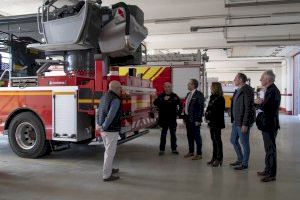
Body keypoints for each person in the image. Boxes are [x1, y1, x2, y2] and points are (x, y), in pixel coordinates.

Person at [255, 70, 281, 182]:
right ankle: (267, 170)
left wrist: (258, 103)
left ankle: (271, 174)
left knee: (270, 150)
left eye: (262, 78)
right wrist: (260, 102)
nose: (260, 80)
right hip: (267, 124)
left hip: (270, 124)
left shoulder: (273, 91)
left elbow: (267, 108)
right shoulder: (269, 90)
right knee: (268, 149)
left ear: (267, 79)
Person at [97, 80, 122, 182]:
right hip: (110, 130)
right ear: (116, 88)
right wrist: (104, 126)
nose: (121, 90)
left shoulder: (104, 97)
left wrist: (99, 125)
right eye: (120, 88)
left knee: (108, 151)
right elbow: (111, 115)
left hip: (103, 129)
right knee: (110, 152)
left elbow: (99, 112)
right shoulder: (115, 99)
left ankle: (109, 169)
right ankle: (107, 175)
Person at [230, 73, 255, 170]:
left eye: (235, 78)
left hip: (242, 122)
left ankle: (244, 164)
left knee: (244, 143)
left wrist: (245, 124)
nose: (234, 80)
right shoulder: (238, 90)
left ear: (240, 79)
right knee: (233, 140)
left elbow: (248, 108)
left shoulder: (247, 90)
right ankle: (240, 159)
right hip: (236, 121)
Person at [154, 82, 182, 156]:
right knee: (163, 134)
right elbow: (155, 103)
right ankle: (162, 149)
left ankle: (174, 149)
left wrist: (178, 114)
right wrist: (163, 99)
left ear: (171, 87)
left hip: (172, 119)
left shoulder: (175, 96)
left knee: (173, 134)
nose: (167, 88)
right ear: (164, 87)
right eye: (166, 86)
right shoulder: (161, 96)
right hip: (163, 119)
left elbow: (180, 105)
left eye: (169, 86)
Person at [205, 82, 225, 167]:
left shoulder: (220, 98)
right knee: (213, 140)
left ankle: (219, 158)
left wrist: (209, 114)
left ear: (215, 88)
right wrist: (207, 115)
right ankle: (214, 157)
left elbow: (217, 111)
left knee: (217, 140)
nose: (210, 88)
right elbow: (209, 108)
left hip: (217, 122)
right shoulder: (212, 97)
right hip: (211, 122)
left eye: (211, 87)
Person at [184, 79, 205, 160]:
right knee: (189, 136)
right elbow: (187, 106)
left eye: (189, 84)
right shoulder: (188, 94)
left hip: (195, 120)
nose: (188, 85)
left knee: (197, 136)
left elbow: (200, 108)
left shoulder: (199, 94)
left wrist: (198, 120)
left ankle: (199, 154)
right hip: (188, 118)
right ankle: (191, 151)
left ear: (193, 85)